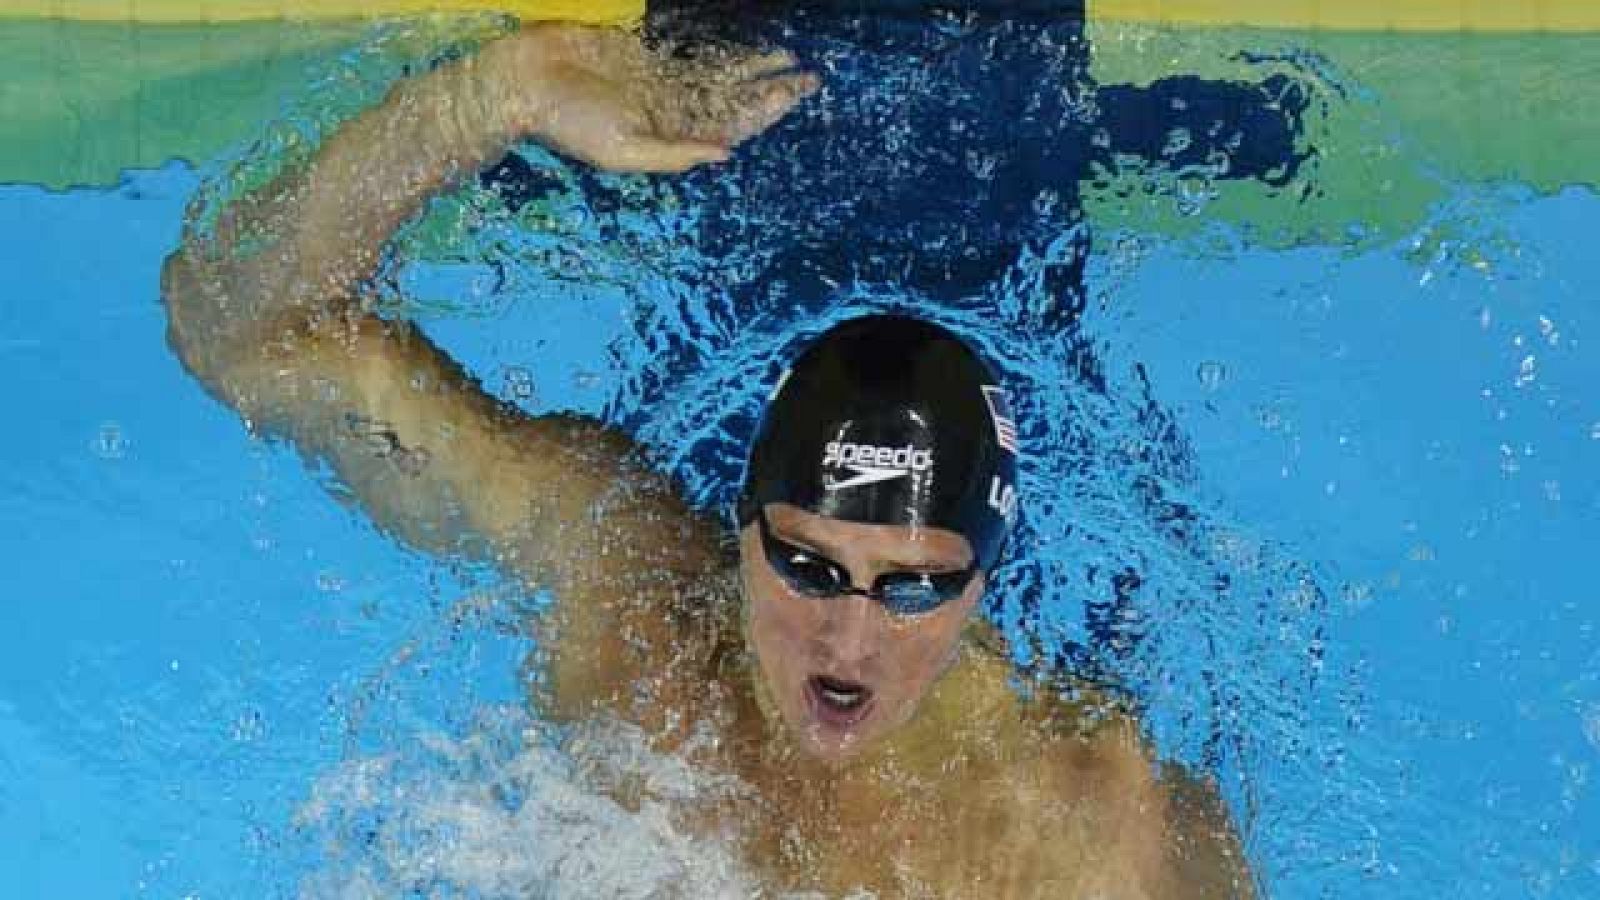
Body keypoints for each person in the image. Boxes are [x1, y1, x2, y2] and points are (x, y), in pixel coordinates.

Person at [162, 20, 1253, 898]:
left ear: (981, 582)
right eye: (808, 567)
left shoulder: (1094, 831)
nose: (848, 638)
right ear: (742, 526)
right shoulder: (626, 586)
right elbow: (231, 323)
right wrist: (493, 95)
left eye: (915, 588)